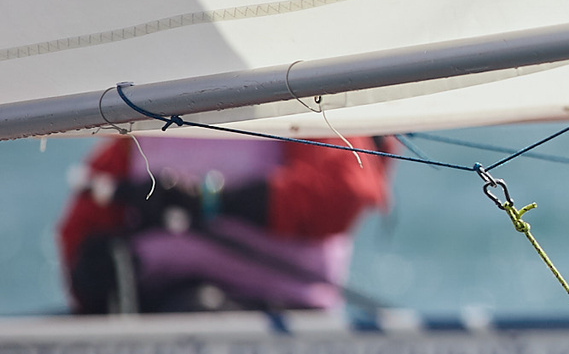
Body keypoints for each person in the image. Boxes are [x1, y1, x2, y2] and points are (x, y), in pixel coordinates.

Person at [57, 133, 395, 314]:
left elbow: (344, 191)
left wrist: (213, 201)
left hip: (282, 311)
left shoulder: (302, 103)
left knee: (197, 311)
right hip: (160, 306)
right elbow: (79, 230)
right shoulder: (143, 119)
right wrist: (90, 273)